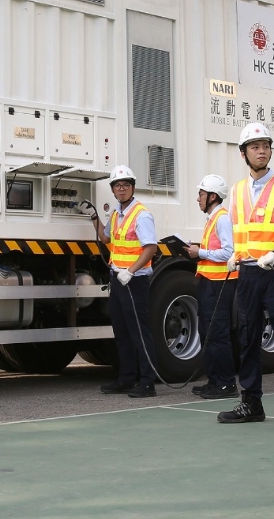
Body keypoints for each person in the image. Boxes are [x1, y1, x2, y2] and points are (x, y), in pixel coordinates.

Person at [217, 122, 274, 432]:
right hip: (248, 273)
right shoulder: (237, 190)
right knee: (247, 337)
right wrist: (235, 255)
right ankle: (251, 403)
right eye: (255, 146)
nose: (262, 150)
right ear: (243, 154)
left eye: (265, 145)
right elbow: (240, 232)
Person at [89, 165, 159, 398]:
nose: (122, 189)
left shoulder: (142, 214)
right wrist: (93, 217)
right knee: (121, 331)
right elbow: (106, 238)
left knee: (139, 332)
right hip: (117, 279)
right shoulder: (117, 214)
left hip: (134, 281)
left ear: (133, 188)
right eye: (118, 185)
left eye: (126, 185)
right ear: (112, 189)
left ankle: (147, 382)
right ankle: (126, 378)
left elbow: (150, 248)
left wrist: (130, 271)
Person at [187, 174, 237, 399]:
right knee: (207, 333)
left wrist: (201, 253)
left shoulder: (222, 219)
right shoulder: (213, 218)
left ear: (213, 196)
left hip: (220, 286)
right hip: (209, 283)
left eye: (201, 194)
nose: (198, 198)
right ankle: (215, 381)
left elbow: (229, 252)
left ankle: (226, 384)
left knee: (217, 335)